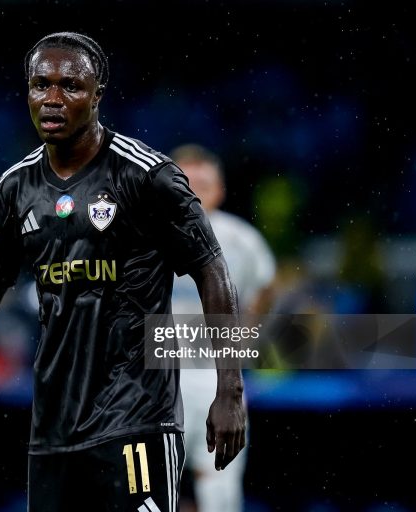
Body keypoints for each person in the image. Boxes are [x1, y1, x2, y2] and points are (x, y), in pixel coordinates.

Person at [0, 32, 246, 511]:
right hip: (53, 427)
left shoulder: (148, 176)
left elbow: (213, 271)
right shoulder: (15, 187)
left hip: (136, 419)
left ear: (98, 95)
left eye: (70, 86)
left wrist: (231, 387)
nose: (52, 99)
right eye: (40, 85)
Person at [169, 144, 276, 512]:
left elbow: (264, 293)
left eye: (204, 182)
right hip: (154, 379)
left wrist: (234, 351)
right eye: (187, 182)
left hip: (215, 379)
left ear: (220, 191)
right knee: (149, 482)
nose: (196, 191)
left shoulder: (243, 240)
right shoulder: (143, 235)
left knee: (219, 483)